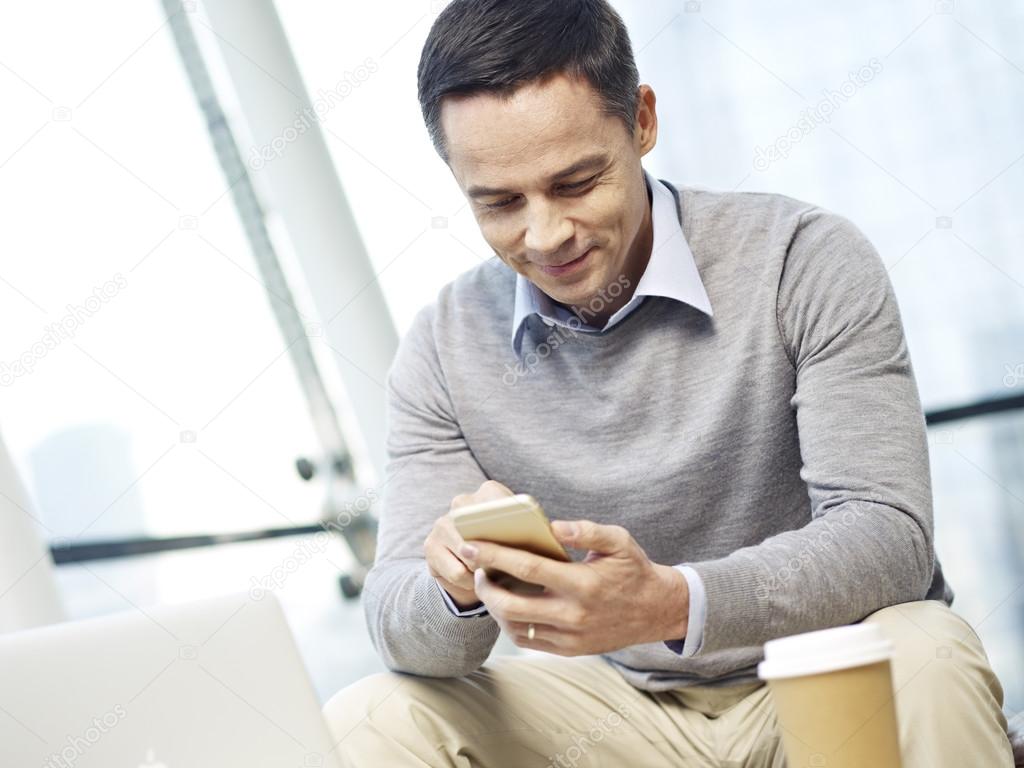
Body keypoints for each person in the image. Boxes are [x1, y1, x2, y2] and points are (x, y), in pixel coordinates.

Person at [324, 1, 1015, 765]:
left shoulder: (802, 260)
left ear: (642, 121)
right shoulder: (443, 347)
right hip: (625, 713)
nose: (547, 234)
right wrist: (452, 583)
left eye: (577, 182)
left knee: (927, 651)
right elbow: (395, 617)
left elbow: (889, 539)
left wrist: (672, 602)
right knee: (371, 718)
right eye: (500, 203)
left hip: (822, 665)